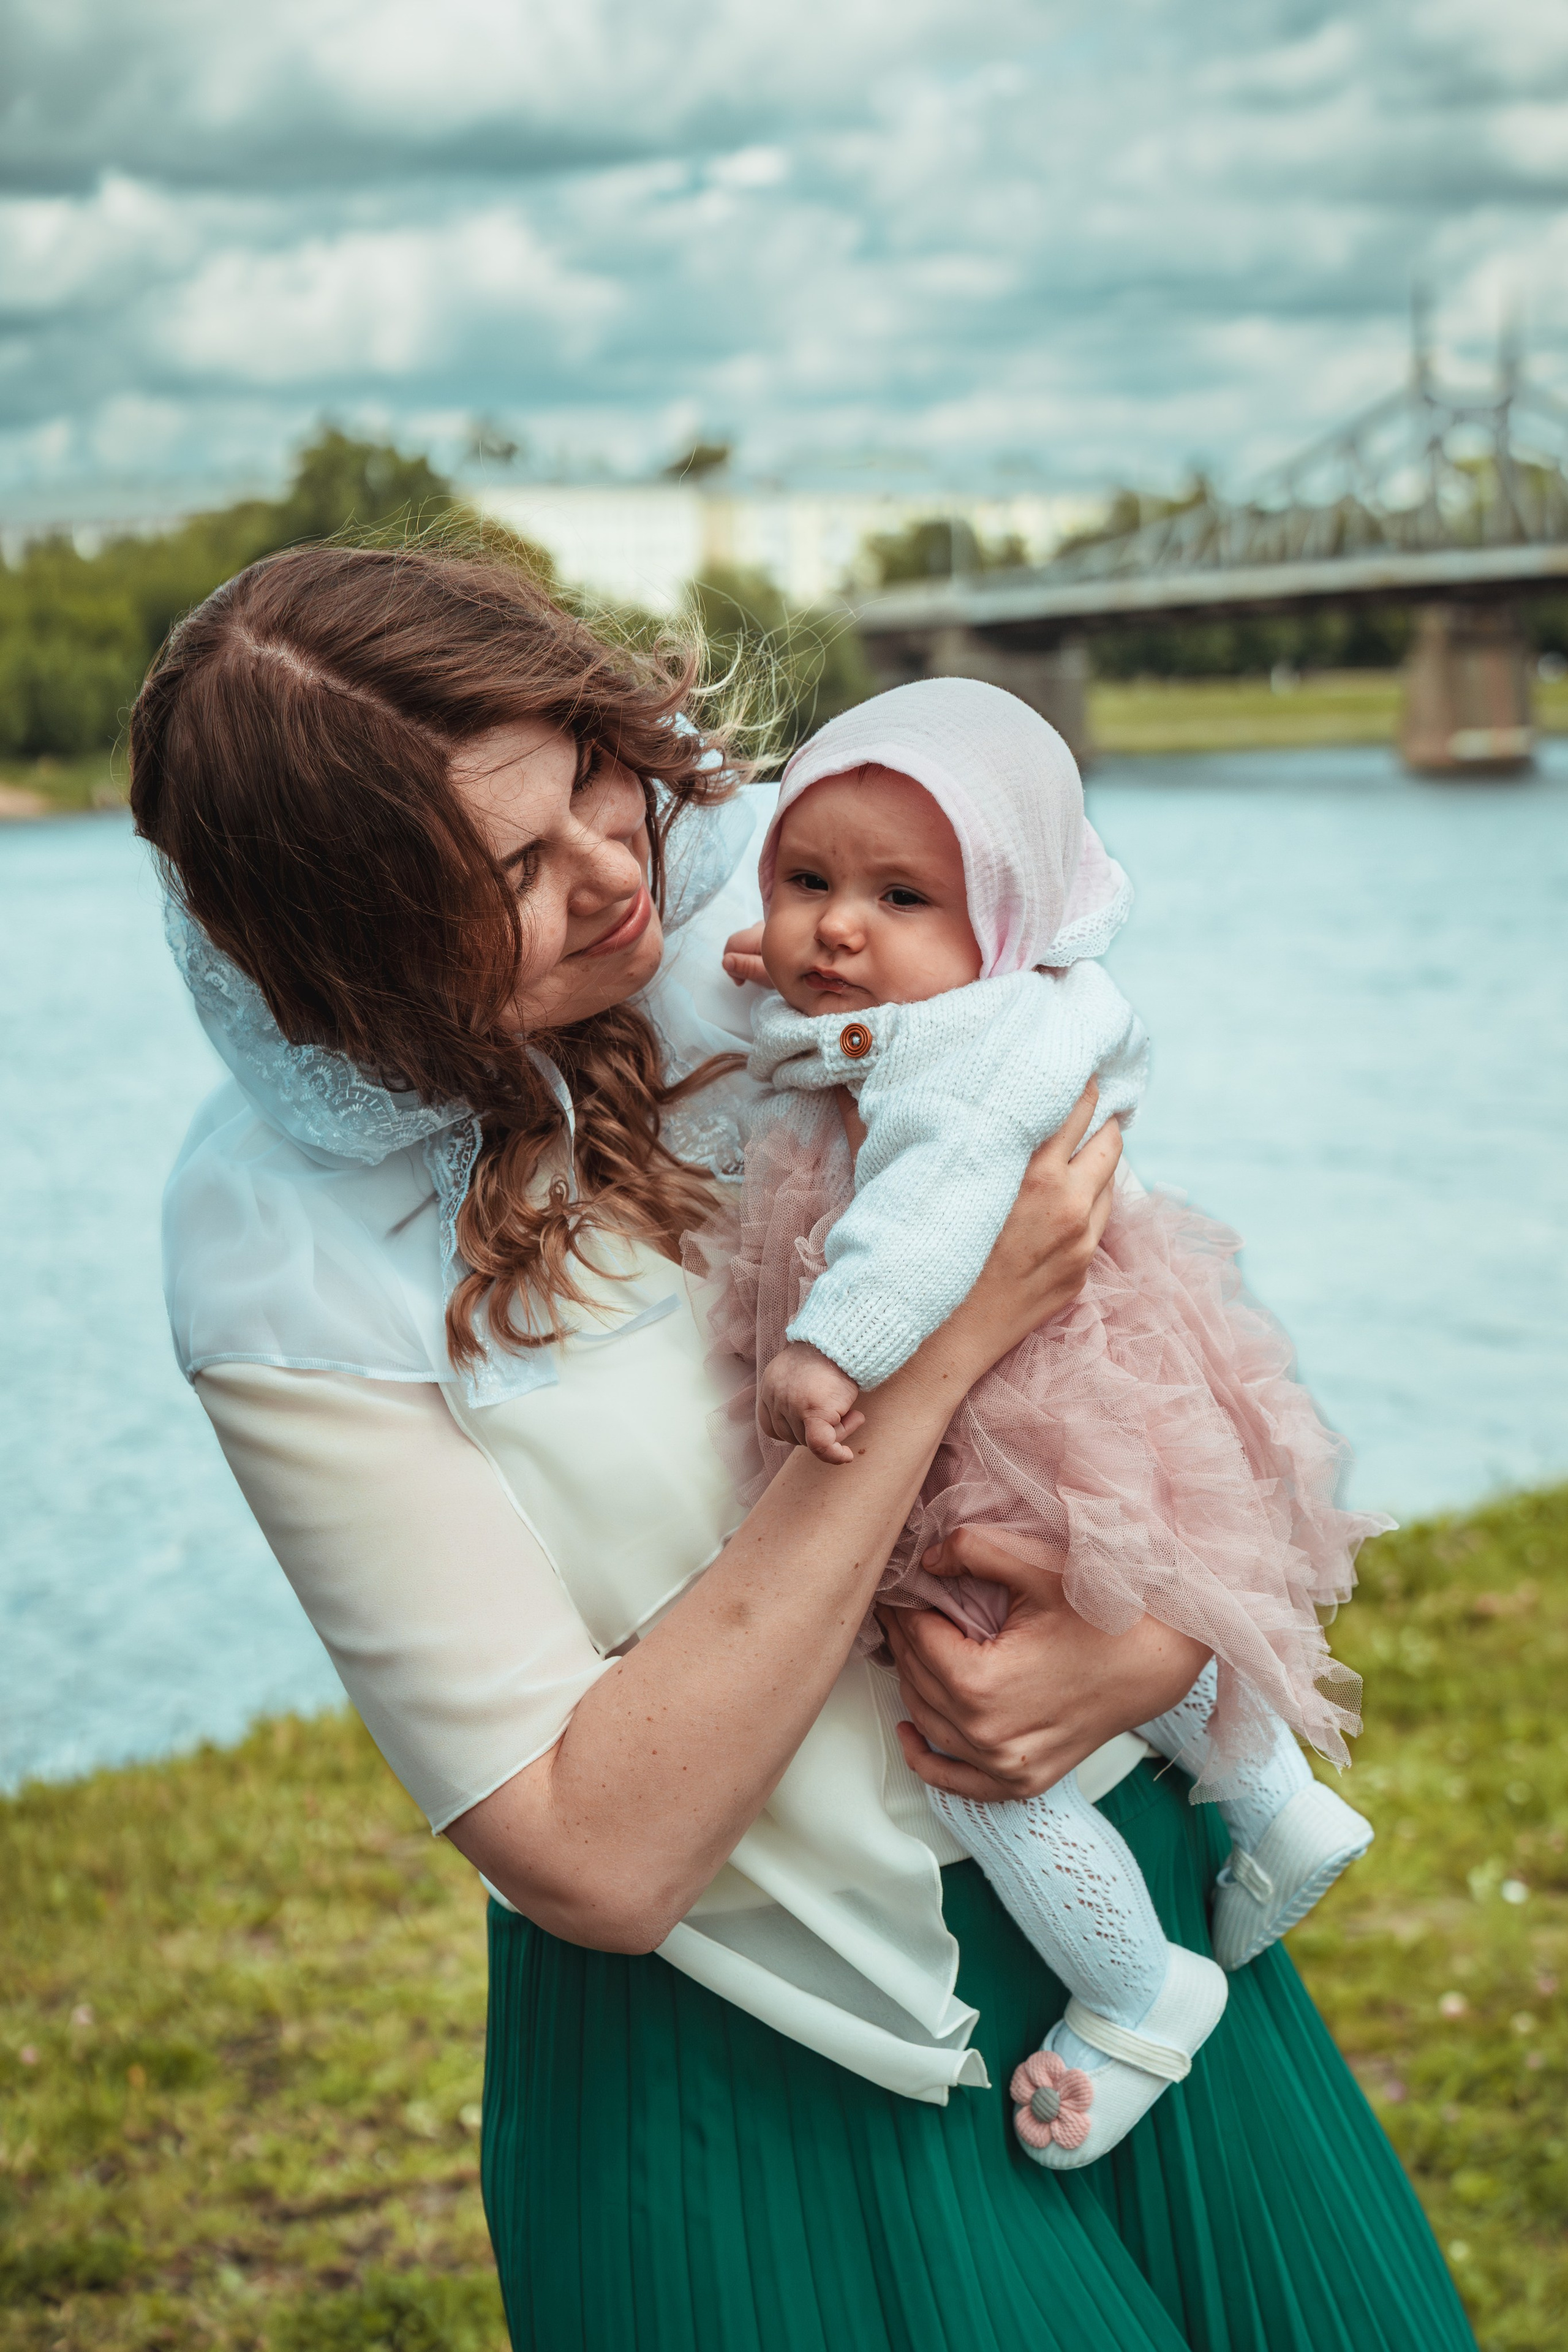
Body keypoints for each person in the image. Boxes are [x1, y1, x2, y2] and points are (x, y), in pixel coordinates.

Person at [130, 541, 1475, 2351]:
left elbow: (1157, 1345)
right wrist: (925, 1367)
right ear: (348, 947)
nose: (618, 873)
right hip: (763, 2073)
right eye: (510, 872)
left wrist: (1155, 1644)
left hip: (1140, 1943)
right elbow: (589, 1853)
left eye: (593, 778)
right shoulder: (272, 1246)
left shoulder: (801, 899)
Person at [696, 677, 1385, 2171]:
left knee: (962, 1715)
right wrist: (788, 962)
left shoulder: (974, 1057)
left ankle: (1135, 1989)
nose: (835, 930)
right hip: (1071, 1395)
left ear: (1000, 920)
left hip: (972, 1390)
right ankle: (1269, 1798)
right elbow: (847, 1020)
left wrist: (831, 1349)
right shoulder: (1005, 998)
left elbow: (935, 1213)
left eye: (896, 894)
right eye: (804, 880)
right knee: (1110, 1590)